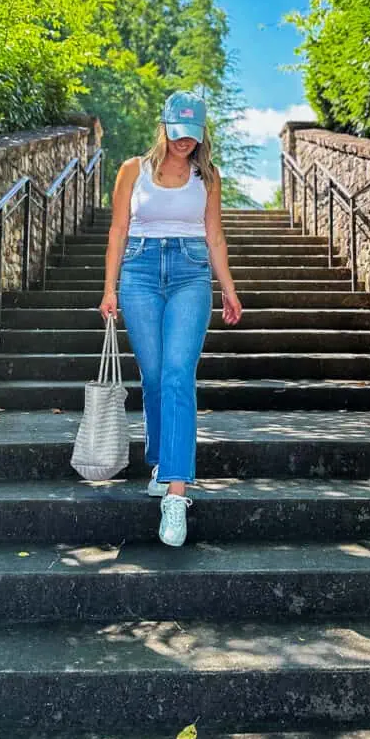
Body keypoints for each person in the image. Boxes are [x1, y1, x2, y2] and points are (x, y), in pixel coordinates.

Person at [99, 90, 243, 547]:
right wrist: (108, 289)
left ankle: (176, 494)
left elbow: (214, 235)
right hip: (139, 272)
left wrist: (229, 288)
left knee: (180, 374)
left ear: (201, 134)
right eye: (177, 134)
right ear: (164, 127)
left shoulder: (208, 177)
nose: (185, 143)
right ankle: (161, 460)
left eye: (192, 135)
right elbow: (118, 229)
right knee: (156, 376)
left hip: (190, 275)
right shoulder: (131, 171)